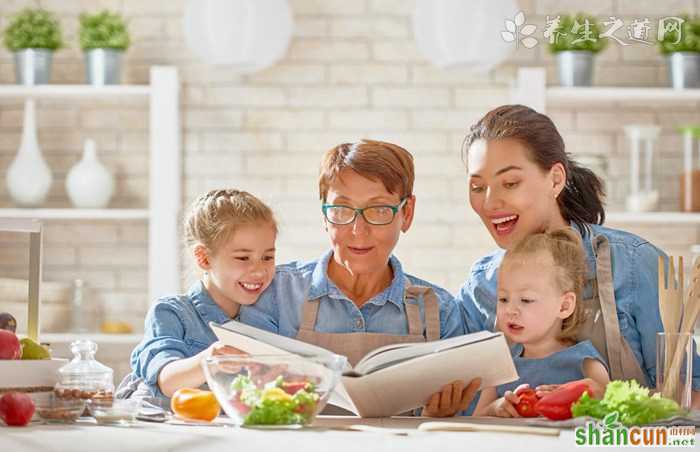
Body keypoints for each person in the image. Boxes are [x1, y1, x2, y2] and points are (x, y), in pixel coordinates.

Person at [457, 104, 700, 409]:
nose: (490, 203)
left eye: (510, 183)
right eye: (478, 187)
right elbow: (467, 412)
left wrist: (609, 400)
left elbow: (691, 400)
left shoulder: (636, 266)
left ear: (555, 179)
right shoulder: (481, 286)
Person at [240, 139, 480, 416]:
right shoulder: (274, 294)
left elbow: (461, 425)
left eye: (378, 210)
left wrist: (440, 417)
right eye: (342, 210)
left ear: (407, 213)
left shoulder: (440, 311)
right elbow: (247, 398)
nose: (358, 230)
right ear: (324, 215)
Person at [120, 189, 277, 399]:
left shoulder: (266, 316)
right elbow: (166, 380)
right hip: (155, 425)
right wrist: (207, 360)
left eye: (267, 257)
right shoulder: (171, 312)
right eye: (243, 258)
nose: (259, 270)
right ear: (204, 258)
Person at [474, 229, 610, 417]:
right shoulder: (501, 366)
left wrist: (591, 397)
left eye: (526, 300)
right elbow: (477, 421)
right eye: (503, 299)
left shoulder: (585, 363)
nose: (510, 310)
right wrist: (496, 408)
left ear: (564, 306)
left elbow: (613, 413)